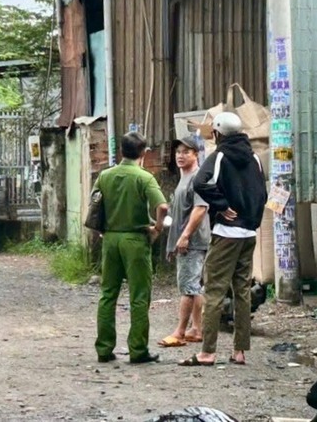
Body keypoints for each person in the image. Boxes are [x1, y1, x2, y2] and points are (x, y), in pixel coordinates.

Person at [179, 112, 267, 367]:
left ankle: (207, 352)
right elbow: (261, 193)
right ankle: (240, 351)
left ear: (217, 133)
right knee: (242, 291)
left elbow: (200, 182)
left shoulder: (219, 156)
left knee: (214, 290)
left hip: (226, 234)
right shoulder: (254, 158)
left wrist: (221, 205)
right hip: (248, 234)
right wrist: (252, 219)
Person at [94, 131, 169, 364]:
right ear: (143, 152)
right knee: (139, 296)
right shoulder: (144, 177)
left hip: (110, 239)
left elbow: (95, 205)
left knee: (108, 294)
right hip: (135, 241)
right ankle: (137, 349)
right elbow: (162, 207)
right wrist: (157, 228)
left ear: (121, 151)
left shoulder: (105, 175)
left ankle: (104, 349)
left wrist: (102, 228)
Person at [158, 136, 210, 348]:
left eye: (186, 152)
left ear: (196, 154)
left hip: (193, 241)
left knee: (187, 287)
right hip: (186, 240)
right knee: (194, 286)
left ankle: (179, 332)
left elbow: (200, 209)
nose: (180, 156)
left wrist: (185, 236)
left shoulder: (197, 178)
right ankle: (196, 329)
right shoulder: (184, 177)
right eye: (178, 152)